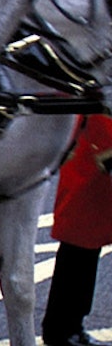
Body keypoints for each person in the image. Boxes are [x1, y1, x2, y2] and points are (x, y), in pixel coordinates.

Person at [41, 114, 112, 346]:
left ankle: (70, 327)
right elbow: (99, 115)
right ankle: (62, 330)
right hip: (90, 172)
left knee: (82, 256)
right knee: (78, 256)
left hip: (93, 170)